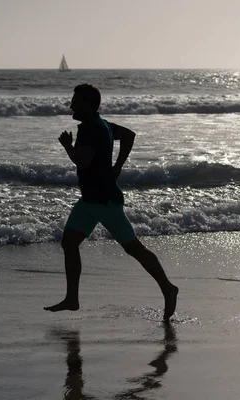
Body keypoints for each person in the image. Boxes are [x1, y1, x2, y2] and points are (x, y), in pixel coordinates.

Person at [44, 83, 178, 321]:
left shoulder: (91, 129)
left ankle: (168, 288)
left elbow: (82, 162)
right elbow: (129, 136)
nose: (71, 105)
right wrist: (118, 166)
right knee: (69, 242)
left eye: (75, 101)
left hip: (104, 201)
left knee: (133, 248)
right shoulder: (104, 125)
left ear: (87, 103)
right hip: (89, 200)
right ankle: (72, 298)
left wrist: (68, 146)